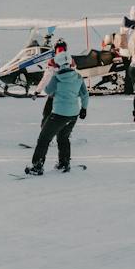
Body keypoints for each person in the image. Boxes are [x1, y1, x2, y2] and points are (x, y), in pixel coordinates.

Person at [23, 40, 89, 174]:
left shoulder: (57, 78)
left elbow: (48, 91)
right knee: (63, 137)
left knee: (44, 139)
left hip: (59, 114)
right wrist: (84, 109)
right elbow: (84, 95)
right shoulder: (78, 76)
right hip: (73, 114)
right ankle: (64, 163)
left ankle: (37, 166)